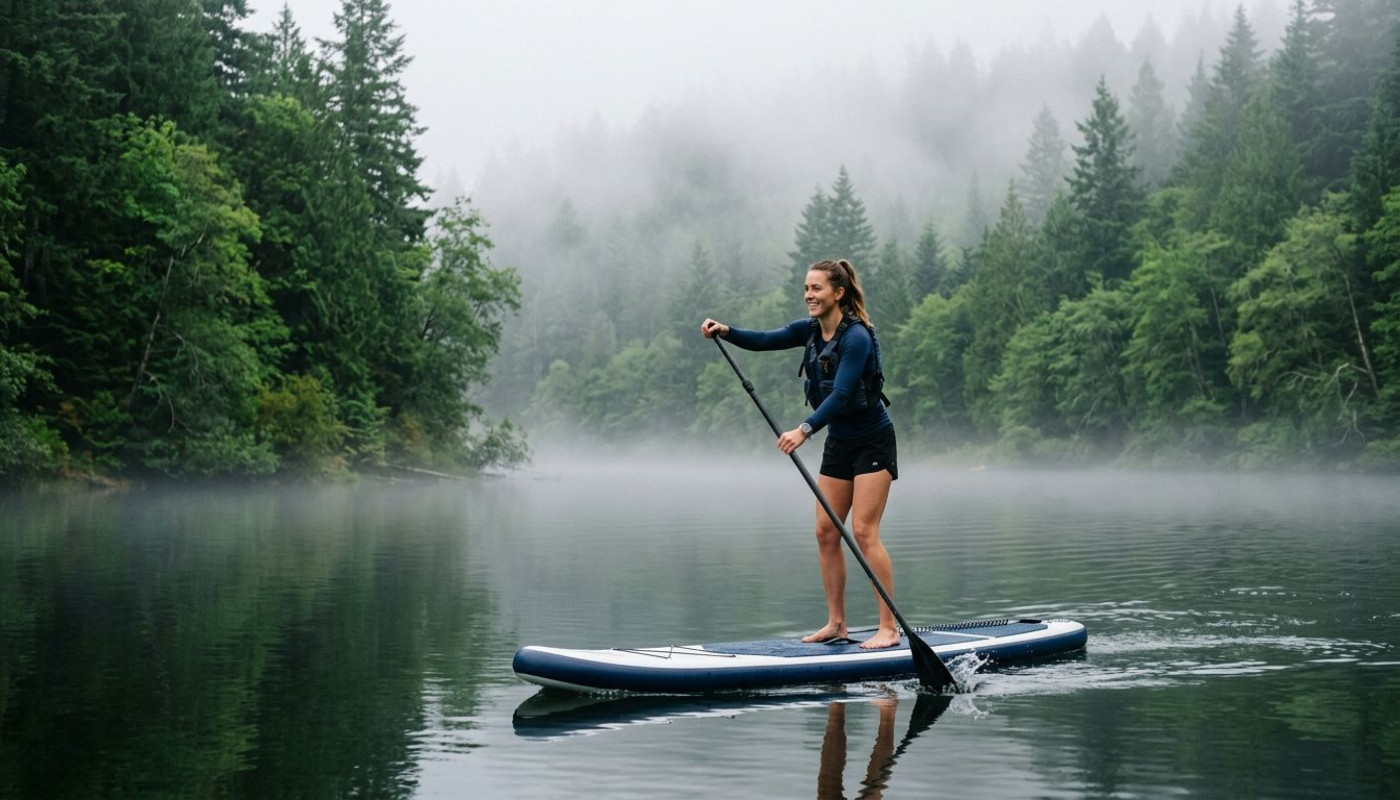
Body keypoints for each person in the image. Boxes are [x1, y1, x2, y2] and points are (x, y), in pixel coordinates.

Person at [701, 258, 901, 649]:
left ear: (838, 293)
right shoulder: (809, 331)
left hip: (873, 440)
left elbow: (842, 394)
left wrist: (804, 429)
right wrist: (725, 330)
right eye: (806, 288)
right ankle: (837, 624)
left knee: (863, 531)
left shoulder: (855, 337)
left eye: (817, 288)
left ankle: (888, 628)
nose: (809, 295)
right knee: (826, 532)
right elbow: (761, 339)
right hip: (840, 443)